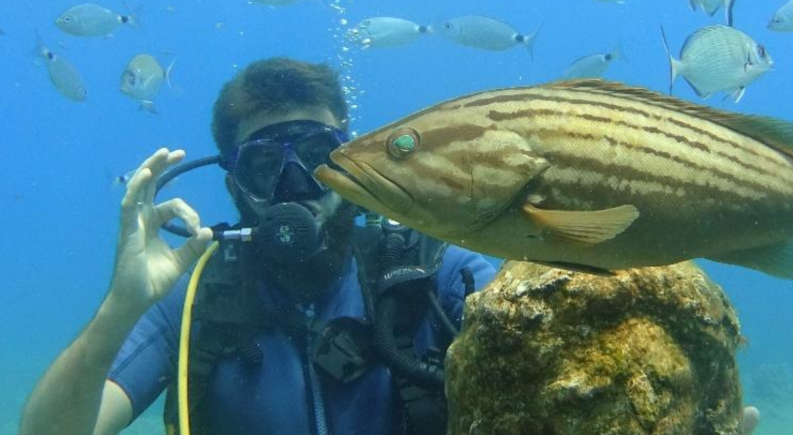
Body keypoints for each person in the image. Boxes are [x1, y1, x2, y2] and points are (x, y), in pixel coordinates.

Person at [19, 58, 497, 435]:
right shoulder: (191, 301)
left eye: (317, 157)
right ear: (235, 186)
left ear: (351, 162)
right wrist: (118, 311)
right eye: (266, 164)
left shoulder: (432, 270)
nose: (296, 186)